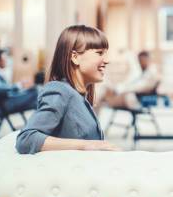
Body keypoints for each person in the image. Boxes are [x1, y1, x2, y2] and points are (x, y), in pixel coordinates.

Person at [15, 25, 121, 154]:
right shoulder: (60, 91)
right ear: (75, 57)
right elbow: (26, 139)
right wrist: (87, 145)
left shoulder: (79, 96)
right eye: (99, 53)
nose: (107, 60)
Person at [0, 49, 38, 114]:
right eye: (4, 59)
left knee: (36, 98)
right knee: (35, 93)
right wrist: (17, 85)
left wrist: (19, 87)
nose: (6, 61)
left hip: (5, 102)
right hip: (3, 106)